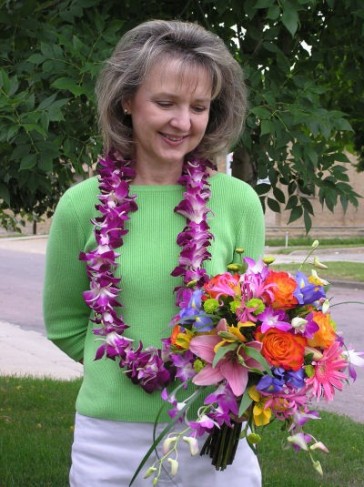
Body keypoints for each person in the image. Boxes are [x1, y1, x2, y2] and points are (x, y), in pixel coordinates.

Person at [43, 19, 265, 487]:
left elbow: (252, 320)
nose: (183, 122)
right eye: (165, 102)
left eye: (198, 106)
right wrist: (127, 370)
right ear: (127, 101)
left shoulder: (239, 202)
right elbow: (64, 323)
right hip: (108, 440)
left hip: (214, 436)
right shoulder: (81, 205)